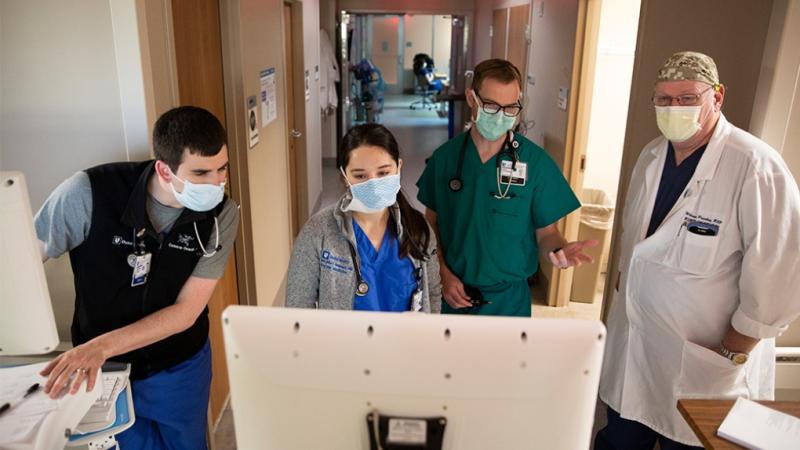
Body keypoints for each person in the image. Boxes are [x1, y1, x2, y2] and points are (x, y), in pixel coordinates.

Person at [595, 51, 800, 450]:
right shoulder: (652, 156)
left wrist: (732, 352)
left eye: (688, 98)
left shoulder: (756, 167)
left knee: (688, 442)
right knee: (619, 439)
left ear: (717, 97)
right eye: (664, 99)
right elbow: (636, 243)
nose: (674, 108)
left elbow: (783, 274)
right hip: (636, 351)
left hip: (703, 366)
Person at [34, 106, 240, 449]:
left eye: (222, 169)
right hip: (105, 368)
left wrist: (99, 348)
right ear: (164, 169)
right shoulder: (88, 194)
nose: (216, 184)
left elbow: (186, 311)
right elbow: (20, 265)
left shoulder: (221, 215)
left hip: (179, 365)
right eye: (201, 173)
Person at [416, 58, 595, 317]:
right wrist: (442, 272)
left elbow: (547, 234)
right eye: (490, 105)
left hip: (509, 301)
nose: (500, 116)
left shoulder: (535, 163)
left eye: (510, 108)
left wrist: (559, 250)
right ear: (471, 98)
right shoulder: (445, 159)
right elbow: (430, 224)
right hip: (453, 294)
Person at [287, 123, 441, 313]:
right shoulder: (318, 232)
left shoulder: (418, 228)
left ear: (398, 167)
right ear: (344, 176)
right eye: (360, 176)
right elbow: (297, 307)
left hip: (405, 341)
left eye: (383, 173)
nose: (374, 184)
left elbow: (432, 293)